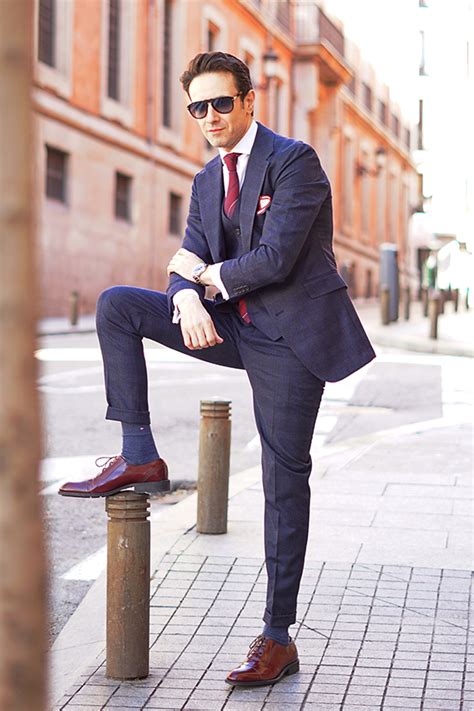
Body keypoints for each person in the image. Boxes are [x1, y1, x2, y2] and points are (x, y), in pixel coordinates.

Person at [59, 51, 376, 687]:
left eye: (221, 103)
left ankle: (277, 636)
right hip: (233, 326)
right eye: (198, 107)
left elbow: (276, 257)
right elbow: (186, 257)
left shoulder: (295, 162)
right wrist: (182, 294)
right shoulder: (207, 181)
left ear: (249, 100)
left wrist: (206, 277)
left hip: (289, 338)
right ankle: (139, 454)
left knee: (283, 482)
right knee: (119, 306)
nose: (209, 116)